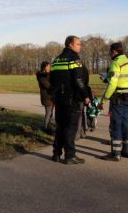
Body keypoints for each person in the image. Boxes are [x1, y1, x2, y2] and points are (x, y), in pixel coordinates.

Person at [50, 35, 90, 164]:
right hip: (71, 99)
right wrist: (85, 96)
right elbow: (79, 80)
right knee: (70, 127)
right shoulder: (74, 59)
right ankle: (70, 155)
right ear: (70, 45)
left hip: (59, 99)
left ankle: (56, 154)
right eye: (78, 44)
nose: (80, 46)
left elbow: (52, 81)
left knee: (60, 126)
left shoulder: (56, 60)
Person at [99, 42, 128, 161]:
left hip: (118, 98)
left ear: (115, 52)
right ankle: (126, 150)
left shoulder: (115, 63)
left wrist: (104, 99)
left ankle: (115, 154)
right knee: (126, 124)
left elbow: (113, 84)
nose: (109, 54)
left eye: (110, 52)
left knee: (116, 125)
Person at [36, 61, 54, 134]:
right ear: (44, 67)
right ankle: (46, 127)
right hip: (46, 96)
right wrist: (55, 87)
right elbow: (47, 85)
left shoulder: (49, 74)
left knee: (51, 113)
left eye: (50, 66)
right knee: (48, 112)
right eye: (48, 67)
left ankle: (49, 126)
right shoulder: (41, 76)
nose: (49, 68)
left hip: (51, 96)